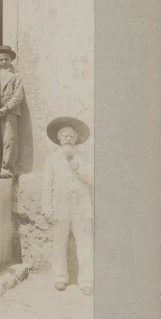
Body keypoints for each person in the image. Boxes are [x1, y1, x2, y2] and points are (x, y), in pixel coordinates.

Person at [41, 117, 94, 295]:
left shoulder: (84, 158)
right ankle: (60, 277)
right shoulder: (52, 159)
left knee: (85, 242)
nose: (68, 139)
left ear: (76, 139)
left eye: (71, 136)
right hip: (60, 205)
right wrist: (47, 207)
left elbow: (94, 179)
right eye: (64, 136)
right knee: (59, 242)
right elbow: (46, 185)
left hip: (81, 205)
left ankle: (86, 280)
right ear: (59, 138)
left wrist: (78, 166)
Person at [0, 45, 24, 178]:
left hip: (9, 113)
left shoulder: (15, 76)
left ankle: (7, 169)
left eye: (5, 59)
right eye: (0, 59)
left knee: (8, 141)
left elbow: (18, 96)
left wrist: (6, 108)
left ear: (10, 60)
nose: (2, 62)